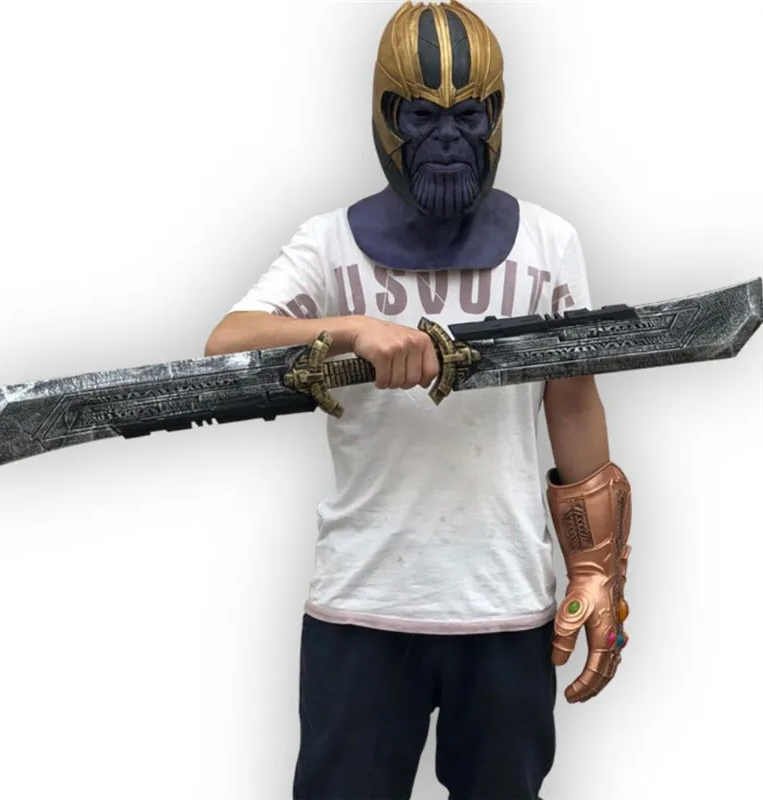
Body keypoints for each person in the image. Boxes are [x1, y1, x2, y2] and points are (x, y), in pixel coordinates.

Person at [205, 2, 631, 798]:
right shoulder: (330, 244)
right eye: (423, 117)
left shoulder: (548, 244)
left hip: (506, 606)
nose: (447, 139)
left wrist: (596, 570)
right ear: (386, 113)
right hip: (362, 604)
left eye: (467, 116)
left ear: (496, 114)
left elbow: (572, 405)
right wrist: (350, 330)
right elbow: (227, 346)